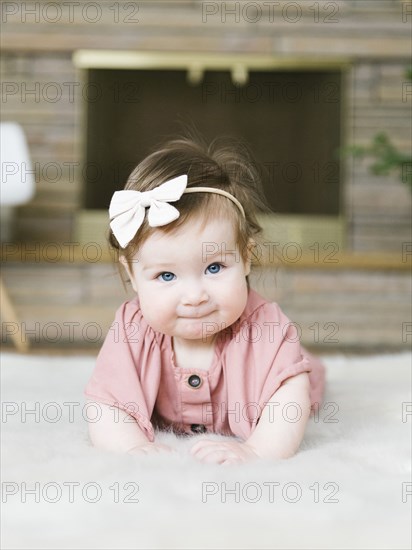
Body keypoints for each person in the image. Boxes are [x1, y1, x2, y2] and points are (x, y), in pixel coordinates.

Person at [84, 135, 325, 465]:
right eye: (166, 276)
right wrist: (131, 448)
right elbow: (105, 403)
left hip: (285, 371)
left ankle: (307, 360)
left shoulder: (266, 329)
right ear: (132, 275)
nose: (195, 296)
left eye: (214, 267)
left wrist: (257, 450)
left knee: (300, 373)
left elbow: (288, 401)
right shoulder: (131, 331)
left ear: (246, 257)